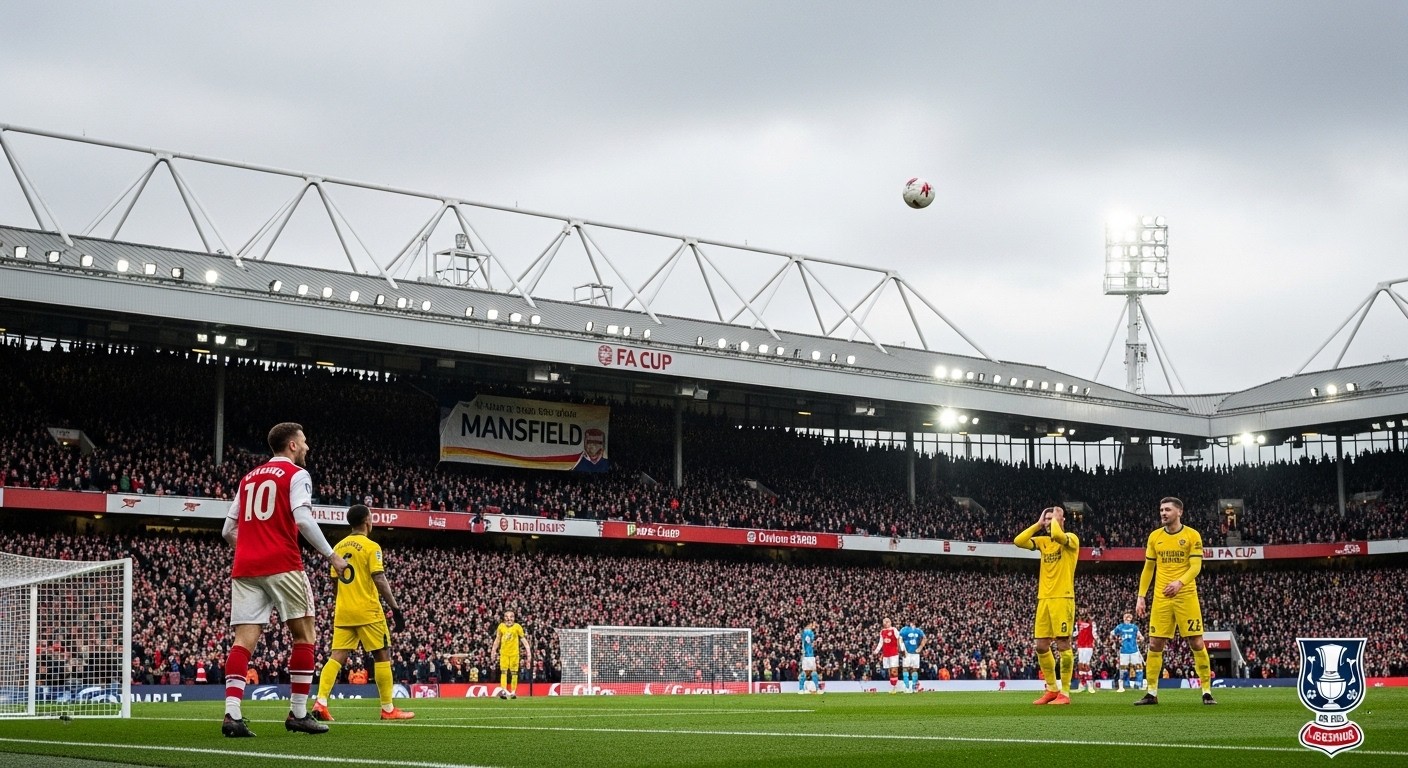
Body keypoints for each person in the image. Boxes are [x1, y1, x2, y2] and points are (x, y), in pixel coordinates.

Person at [220, 422, 349, 737]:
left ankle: (232, 715)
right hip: (283, 563)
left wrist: (251, 549)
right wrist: (331, 555)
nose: (307, 447)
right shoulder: (297, 475)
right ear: (292, 445)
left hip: (246, 568)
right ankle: (298, 713)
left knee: (243, 642)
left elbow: (227, 530)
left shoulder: (248, 478)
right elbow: (303, 518)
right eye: (304, 442)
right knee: (305, 634)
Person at [312, 504, 415, 722]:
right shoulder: (371, 546)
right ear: (367, 520)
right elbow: (379, 578)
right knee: (382, 653)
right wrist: (395, 608)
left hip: (344, 610)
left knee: (336, 656)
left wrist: (343, 602)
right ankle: (388, 709)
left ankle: (320, 702)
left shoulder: (337, 547)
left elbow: (334, 581)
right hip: (368, 610)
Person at [1134, 497, 1217, 706]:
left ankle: (1206, 691)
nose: (1163, 513)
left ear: (1179, 512)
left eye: (1167, 510)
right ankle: (1151, 692)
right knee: (1154, 643)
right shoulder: (1154, 537)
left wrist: (1180, 583)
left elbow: (1196, 567)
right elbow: (1148, 568)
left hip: (1186, 595)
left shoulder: (1192, 535)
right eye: (1161, 509)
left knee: (1196, 642)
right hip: (1162, 597)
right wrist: (1141, 595)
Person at [1014, 506, 1079, 706]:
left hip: (1063, 598)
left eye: (1053, 519)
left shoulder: (1071, 539)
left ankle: (1065, 693)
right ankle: (1051, 689)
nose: (1049, 523)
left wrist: (1057, 518)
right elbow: (1019, 541)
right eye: (1047, 519)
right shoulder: (1043, 542)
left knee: (1062, 644)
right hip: (1044, 598)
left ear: (1062, 520)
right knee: (1041, 646)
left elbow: (1059, 535)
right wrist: (1038, 524)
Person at [490, 610, 531, 699]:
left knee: (514, 673)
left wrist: (528, 652)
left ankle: (513, 692)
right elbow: (497, 640)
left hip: (514, 654)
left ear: (514, 618)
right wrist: (493, 651)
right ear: (504, 618)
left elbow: (523, 640)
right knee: (503, 672)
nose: (509, 619)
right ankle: (504, 691)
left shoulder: (517, 627)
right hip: (504, 653)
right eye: (507, 616)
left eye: (511, 616)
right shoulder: (501, 626)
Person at [1110, 611, 1145, 692]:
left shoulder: (1134, 627)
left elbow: (1141, 637)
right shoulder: (1120, 627)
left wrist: (1138, 640)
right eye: (1126, 617)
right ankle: (1125, 685)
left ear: (1131, 619)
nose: (1127, 619)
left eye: (1129, 617)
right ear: (1124, 618)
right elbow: (1111, 633)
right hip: (1124, 651)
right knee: (1124, 669)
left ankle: (1138, 684)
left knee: (1138, 667)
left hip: (1134, 651)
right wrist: (1115, 641)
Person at [872, 617, 902, 694]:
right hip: (886, 654)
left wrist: (901, 648)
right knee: (889, 671)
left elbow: (899, 638)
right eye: (884, 622)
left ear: (890, 622)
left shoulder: (894, 630)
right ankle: (893, 687)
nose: (886, 623)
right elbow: (881, 642)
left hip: (894, 653)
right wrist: (876, 651)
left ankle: (896, 687)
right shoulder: (882, 631)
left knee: (894, 670)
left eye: (887, 621)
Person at [898, 620, 927, 693]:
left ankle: (909, 688)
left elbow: (899, 639)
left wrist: (901, 650)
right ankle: (912, 688)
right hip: (911, 652)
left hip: (909, 653)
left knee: (907, 669)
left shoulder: (905, 629)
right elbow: (925, 638)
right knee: (912, 669)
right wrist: (920, 647)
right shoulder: (917, 630)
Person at [1073, 611, 1097, 693]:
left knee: (1086, 664)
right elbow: (1075, 633)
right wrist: (1069, 634)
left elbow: (1094, 634)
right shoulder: (1078, 623)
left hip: (1088, 646)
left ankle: (1090, 685)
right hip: (1080, 646)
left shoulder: (1092, 623)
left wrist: (1098, 641)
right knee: (1080, 665)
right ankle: (1082, 685)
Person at [798, 621, 822, 694]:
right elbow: (808, 642)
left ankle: (816, 689)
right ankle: (801, 689)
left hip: (810, 655)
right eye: (814, 624)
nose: (815, 625)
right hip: (807, 656)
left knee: (813, 672)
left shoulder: (806, 632)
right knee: (806, 672)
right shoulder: (808, 632)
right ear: (810, 624)